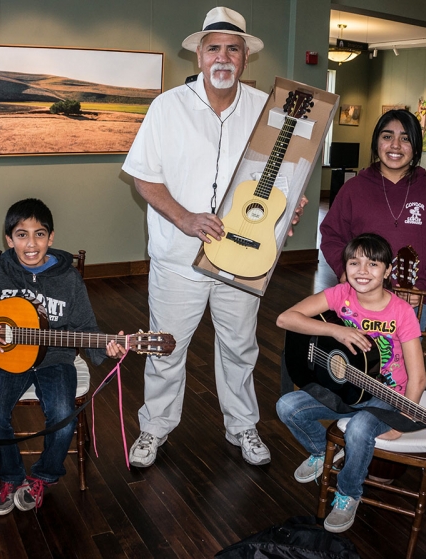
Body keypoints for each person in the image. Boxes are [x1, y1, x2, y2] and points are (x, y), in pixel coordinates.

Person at [122, 6, 306, 468]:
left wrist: (289, 207)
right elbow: (143, 177)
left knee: (240, 347)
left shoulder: (268, 112)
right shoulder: (167, 107)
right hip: (177, 257)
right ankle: (154, 429)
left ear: (245, 58)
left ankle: (242, 426)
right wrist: (184, 218)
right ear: (199, 56)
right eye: (214, 48)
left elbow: (281, 177)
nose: (223, 57)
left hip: (241, 258)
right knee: (165, 345)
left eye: (233, 49)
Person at [0, 198, 126, 515]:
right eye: (21, 234)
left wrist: (107, 346)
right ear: (9, 239)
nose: (31, 244)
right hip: (5, 360)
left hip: (55, 359)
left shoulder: (69, 279)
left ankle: (43, 476)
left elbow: (86, 327)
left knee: (61, 419)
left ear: (52, 237)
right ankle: (12, 477)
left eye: (39, 234)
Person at [276, 233, 426, 533]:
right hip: (345, 390)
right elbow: (285, 319)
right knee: (286, 406)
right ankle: (322, 452)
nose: (362, 271)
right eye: (354, 262)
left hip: (386, 397)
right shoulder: (339, 295)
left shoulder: (401, 312)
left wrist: (403, 420)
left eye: (373, 264)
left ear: (387, 271)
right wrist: (335, 330)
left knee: (359, 428)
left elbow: (419, 378)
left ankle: (348, 493)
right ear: (345, 267)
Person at [320, 109, 426, 310]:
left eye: (405, 139)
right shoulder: (353, 189)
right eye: (387, 137)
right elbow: (332, 235)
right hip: (360, 297)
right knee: (356, 342)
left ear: (416, 147)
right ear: (377, 143)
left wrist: (423, 288)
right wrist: (344, 269)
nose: (395, 145)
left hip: (411, 304)